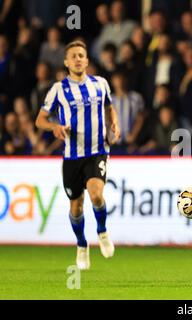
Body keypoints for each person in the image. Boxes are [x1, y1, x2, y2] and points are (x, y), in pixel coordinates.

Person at [35, 40, 121, 270]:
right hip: (72, 156)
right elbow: (39, 119)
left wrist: (115, 123)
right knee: (76, 207)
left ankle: (102, 232)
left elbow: (109, 106)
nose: (78, 59)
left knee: (96, 196)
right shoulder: (58, 89)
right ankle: (82, 245)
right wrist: (54, 127)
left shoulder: (100, 84)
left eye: (81, 55)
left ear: (87, 59)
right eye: (73, 56)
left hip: (97, 151)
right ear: (66, 62)